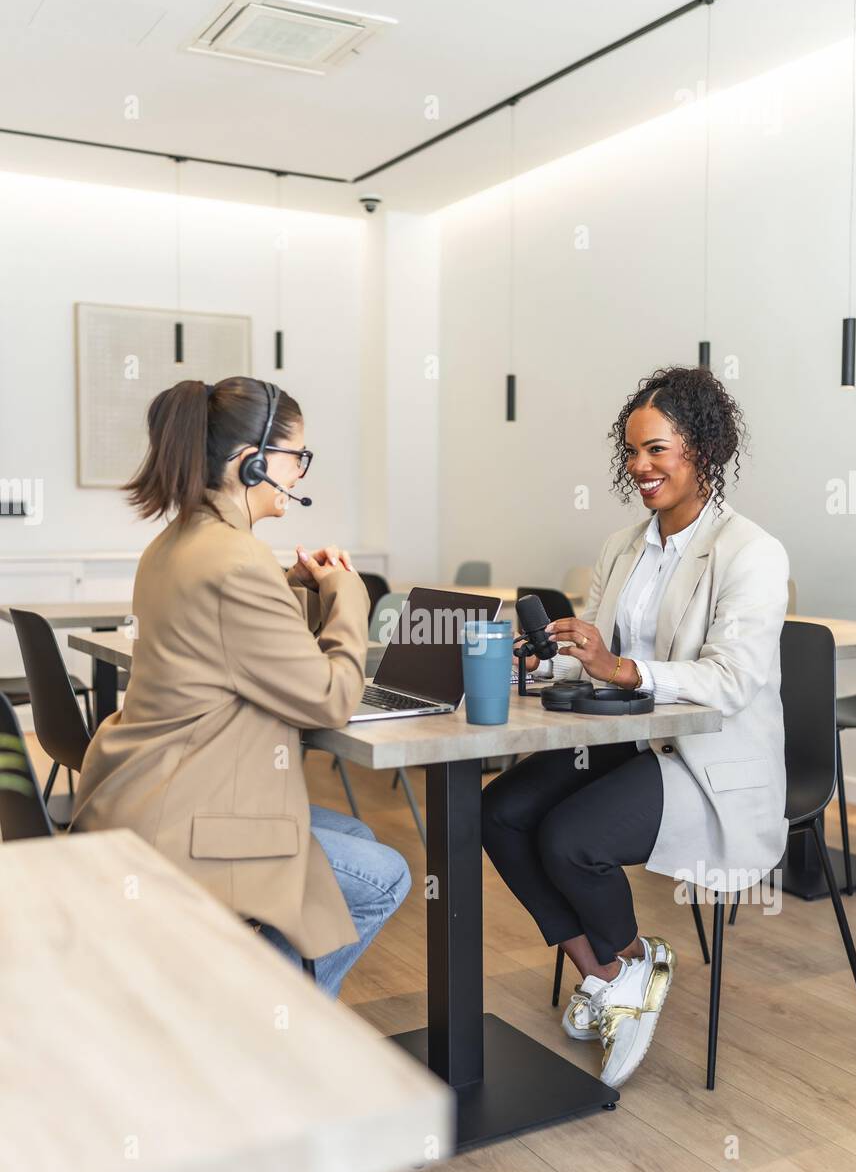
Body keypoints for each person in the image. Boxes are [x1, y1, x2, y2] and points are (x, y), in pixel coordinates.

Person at [482, 366, 789, 1086]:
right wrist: (553, 667)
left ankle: (631, 967)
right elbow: (598, 660)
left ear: (703, 452)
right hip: (625, 739)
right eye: (631, 453)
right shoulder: (624, 546)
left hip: (707, 756)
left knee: (570, 839)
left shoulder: (751, 553)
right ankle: (614, 973)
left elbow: (731, 681)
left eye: (657, 450)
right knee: (496, 811)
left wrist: (622, 670)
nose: (639, 467)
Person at [71, 376, 410, 997]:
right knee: (386, 875)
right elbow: (330, 699)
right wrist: (348, 599)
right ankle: (262, 1024)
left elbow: (238, 646)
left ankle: (248, 998)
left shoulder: (180, 542)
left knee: (357, 837)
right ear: (253, 461)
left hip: (143, 792)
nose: (302, 472)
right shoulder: (237, 560)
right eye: (296, 457)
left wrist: (296, 588)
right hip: (184, 822)